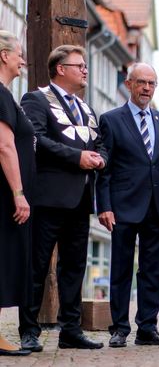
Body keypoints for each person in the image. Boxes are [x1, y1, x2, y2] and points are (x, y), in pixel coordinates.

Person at [18, 45, 107, 351]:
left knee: (74, 268)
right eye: (79, 65)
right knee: (37, 266)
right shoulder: (36, 99)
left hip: (81, 199)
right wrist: (77, 157)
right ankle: (28, 331)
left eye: (85, 65)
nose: (85, 69)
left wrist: (100, 159)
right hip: (48, 198)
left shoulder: (86, 108)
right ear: (60, 68)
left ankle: (71, 330)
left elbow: (101, 143)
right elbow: (36, 140)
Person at [96, 62, 159, 347]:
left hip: (157, 207)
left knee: (153, 270)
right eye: (141, 82)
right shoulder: (111, 119)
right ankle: (119, 328)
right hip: (123, 207)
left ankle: (148, 328)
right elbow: (104, 170)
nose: (146, 88)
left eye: (151, 84)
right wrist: (103, 206)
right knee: (120, 269)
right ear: (129, 84)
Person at [0, 30, 34, 357]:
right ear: (4, 56)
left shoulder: (6, 93)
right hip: (5, 194)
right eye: (19, 54)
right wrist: (19, 193)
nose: (23, 60)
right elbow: (5, 146)